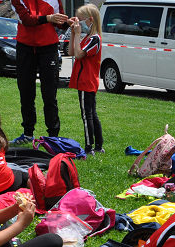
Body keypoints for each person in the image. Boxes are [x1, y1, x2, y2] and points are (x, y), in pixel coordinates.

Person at [9, 0, 68, 145]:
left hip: (49, 47)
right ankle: (28, 133)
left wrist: (67, 22)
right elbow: (26, 19)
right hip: (25, 47)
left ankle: (53, 136)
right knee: (26, 92)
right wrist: (49, 18)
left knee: (49, 94)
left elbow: (59, 22)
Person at [68, 4, 103, 156]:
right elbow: (71, 51)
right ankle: (98, 146)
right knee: (91, 114)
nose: (80, 23)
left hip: (86, 81)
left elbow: (79, 54)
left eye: (81, 20)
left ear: (90, 20)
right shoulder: (88, 38)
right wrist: (73, 34)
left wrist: (78, 34)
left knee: (87, 115)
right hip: (85, 81)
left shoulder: (95, 39)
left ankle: (89, 147)